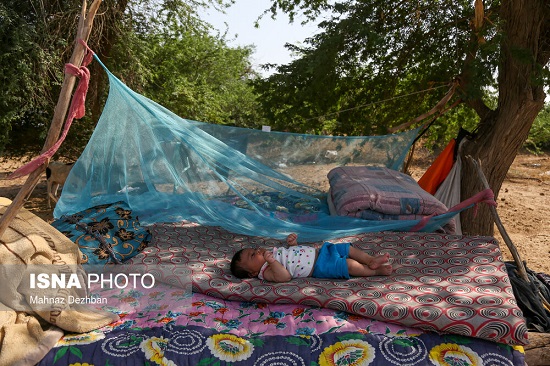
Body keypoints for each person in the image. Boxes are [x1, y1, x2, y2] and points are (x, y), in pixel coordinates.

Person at [230, 233, 392, 282]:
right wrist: (272, 262)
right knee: (348, 265)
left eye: (255, 249)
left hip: (321, 251)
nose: (257, 251)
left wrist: (294, 245)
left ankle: (371, 259)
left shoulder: (270, 255)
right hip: (320, 266)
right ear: (252, 273)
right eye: (253, 255)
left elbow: (293, 256)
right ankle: (375, 272)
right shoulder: (266, 271)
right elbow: (285, 276)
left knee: (347, 248)